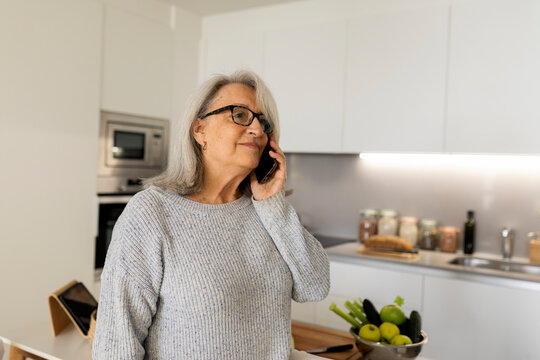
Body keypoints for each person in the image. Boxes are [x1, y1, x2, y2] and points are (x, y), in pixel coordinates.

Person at [92, 70, 330, 359]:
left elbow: (314, 287)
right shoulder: (151, 215)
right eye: (240, 115)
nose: (257, 129)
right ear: (199, 130)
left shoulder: (268, 212)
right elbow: (116, 346)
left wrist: (273, 204)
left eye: (263, 121)